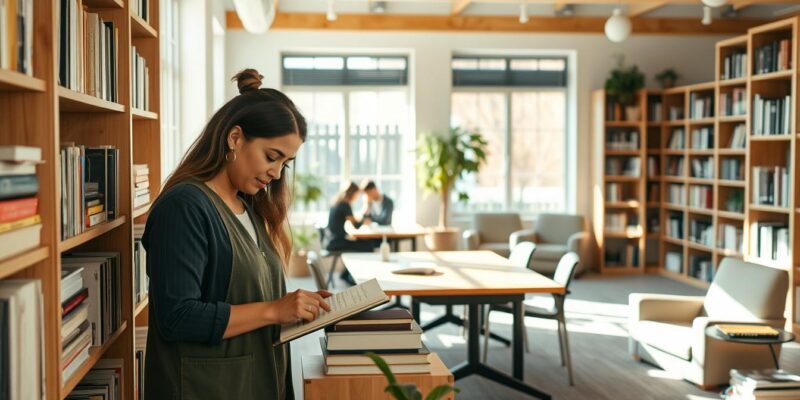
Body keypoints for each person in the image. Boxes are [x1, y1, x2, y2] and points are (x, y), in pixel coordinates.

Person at [142, 68, 330, 400]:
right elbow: (178, 316)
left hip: (256, 380)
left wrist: (298, 307)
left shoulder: (248, 207)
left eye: (284, 163)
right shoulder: (185, 206)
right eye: (271, 157)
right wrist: (275, 309)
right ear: (235, 138)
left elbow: (247, 299)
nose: (275, 173)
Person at [324, 181, 374, 285]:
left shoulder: (337, 202)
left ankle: (345, 274)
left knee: (363, 244)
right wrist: (366, 207)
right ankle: (349, 275)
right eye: (357, 194)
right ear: (353, 193)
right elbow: (356, 226)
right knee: (368, 246)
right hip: (337, 242)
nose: (357, 197)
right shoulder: (345, 205)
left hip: (331, 240)